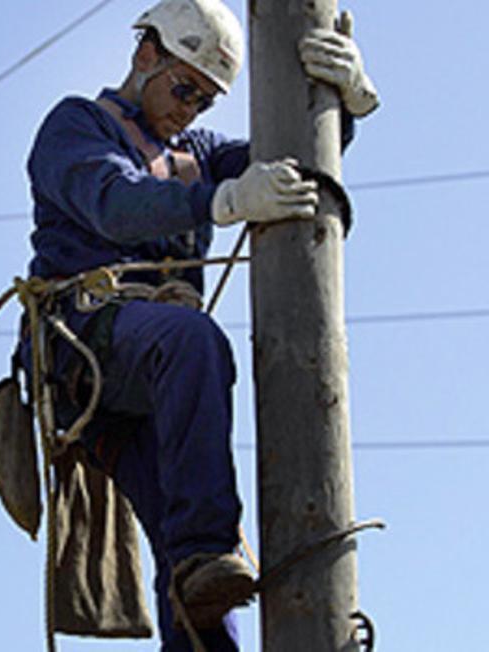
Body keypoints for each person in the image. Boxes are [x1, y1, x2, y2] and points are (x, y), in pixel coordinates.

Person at [19, 0, 377, 649]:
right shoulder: (76, 127)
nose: (190, 109)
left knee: (197, 585)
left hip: (161, 385)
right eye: (185, 88)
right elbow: (115, 203)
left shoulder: (199, 154)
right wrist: (227, 200)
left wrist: (341, 105)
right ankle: (204, 552)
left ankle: (200, 582)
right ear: (146, 53)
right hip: (90, 349)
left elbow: (290, 160)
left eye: (206, 101)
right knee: (193, 345)